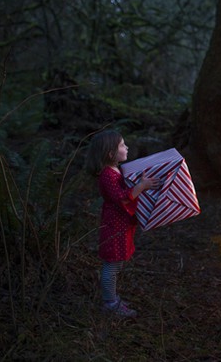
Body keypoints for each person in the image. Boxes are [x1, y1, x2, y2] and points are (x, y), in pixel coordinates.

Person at [85, 129, 160, 317]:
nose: (126, 147)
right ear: (110, 153)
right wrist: (141, 186)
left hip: (121, 224)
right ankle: (110, 303)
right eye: (122, 145)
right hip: (114, 226)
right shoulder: (107, 175)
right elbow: (122, 199)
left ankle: (112, 298)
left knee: (117, 263)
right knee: (111, 265)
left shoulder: (116, 170)